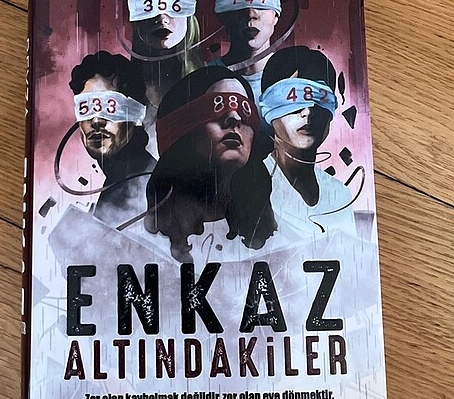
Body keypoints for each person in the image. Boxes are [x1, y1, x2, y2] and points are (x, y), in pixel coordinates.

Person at [144, 66, 276, 261]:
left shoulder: (283, 236)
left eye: (244, 110)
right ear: (182, 131)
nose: (235, 118)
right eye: (217, 108)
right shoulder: (139, 242)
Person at [259, 46, 355, 235]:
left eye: (321, 100)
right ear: (267, 107)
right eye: (293, 100)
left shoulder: (340, 195)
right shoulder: (250, 186)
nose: (308, 112)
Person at [69, 51, 156, 227]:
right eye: (86, 108)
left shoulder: (136, 185)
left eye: (110, 107)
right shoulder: (122, 179)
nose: (96, 121)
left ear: (136, 113)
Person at [127, 0, 204, 154]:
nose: (162, 18)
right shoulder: (123, 90)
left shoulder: (212, 85)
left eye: (174, 6)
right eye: (149, 6)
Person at [210, 0, 293, 101]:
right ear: (223, 16)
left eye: (261, 4)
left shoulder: (294, 78)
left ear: (276, 15)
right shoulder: (205, 79)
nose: (251, 14)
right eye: (240, 5)